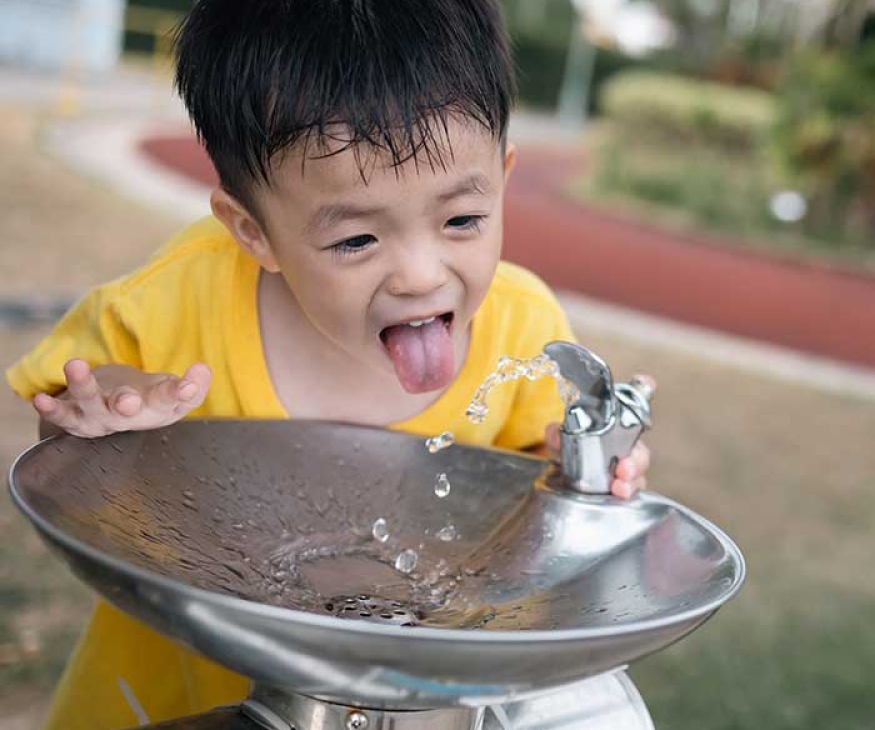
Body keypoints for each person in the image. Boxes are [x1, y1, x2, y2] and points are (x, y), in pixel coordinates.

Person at [5, 0, 653, 726]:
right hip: (170, 698)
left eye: (461, 221)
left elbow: (541, 484)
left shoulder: (524, 327)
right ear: (254, 233)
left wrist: (581, 470)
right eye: (356, 242)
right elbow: (60, 441)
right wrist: (106, 408)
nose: (419, 275)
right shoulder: (171, 305)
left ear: (501, 179)